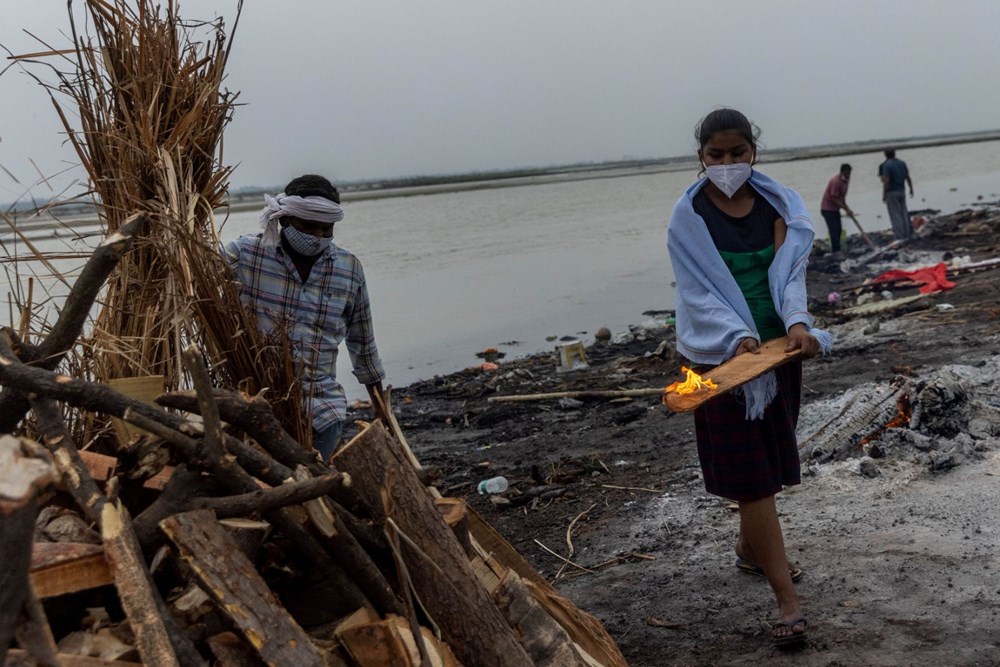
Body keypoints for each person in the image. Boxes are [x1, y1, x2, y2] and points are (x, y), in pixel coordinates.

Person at [666, 108, 833, 647]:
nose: (728, 163)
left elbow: (789, 275)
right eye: (717, 155)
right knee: (755, 480)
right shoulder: (687, 218)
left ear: (752, 152)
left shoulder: (779, 204)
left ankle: (748, 552)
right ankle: (787, 600)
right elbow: (698, 294)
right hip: (719, 361)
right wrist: (735, 339)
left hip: (777, 353)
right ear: (701, 158)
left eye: (737, 153)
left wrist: (799, 323)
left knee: (767, 465)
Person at [223, 174, 387, 460]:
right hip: (254, 397)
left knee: (310, 471)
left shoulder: (348, 269)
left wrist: (379, 405)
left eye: (327, 229)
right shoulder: (245, 255)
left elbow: (363, 341)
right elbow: (192, 287)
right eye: (308, 227)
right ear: (285, 220)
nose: (318, 237)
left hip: (320, 403)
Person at [878, 148, 914, 240]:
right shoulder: (901, 163)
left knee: (895, 215)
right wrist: (911, 188)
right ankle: (907, 235)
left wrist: (884, 194)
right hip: (901, 190)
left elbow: (886, 180)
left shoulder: (886, 165)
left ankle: (899, 237)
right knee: (904, 214)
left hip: (892, 192)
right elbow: (907, 177)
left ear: (885, 155)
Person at [820, 163, 853, 255]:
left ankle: (837, 250)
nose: (848, 176)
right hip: (827, 209)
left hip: (835, 209)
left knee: (839, 229)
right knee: (833, 230)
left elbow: (842, 197)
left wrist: (847, 208)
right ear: (841, 173)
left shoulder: (846, 181)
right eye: (846, 174)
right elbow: (834, 198)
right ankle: (836, 251)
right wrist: (845, 209)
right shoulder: (836, 181)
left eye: (849, 174)